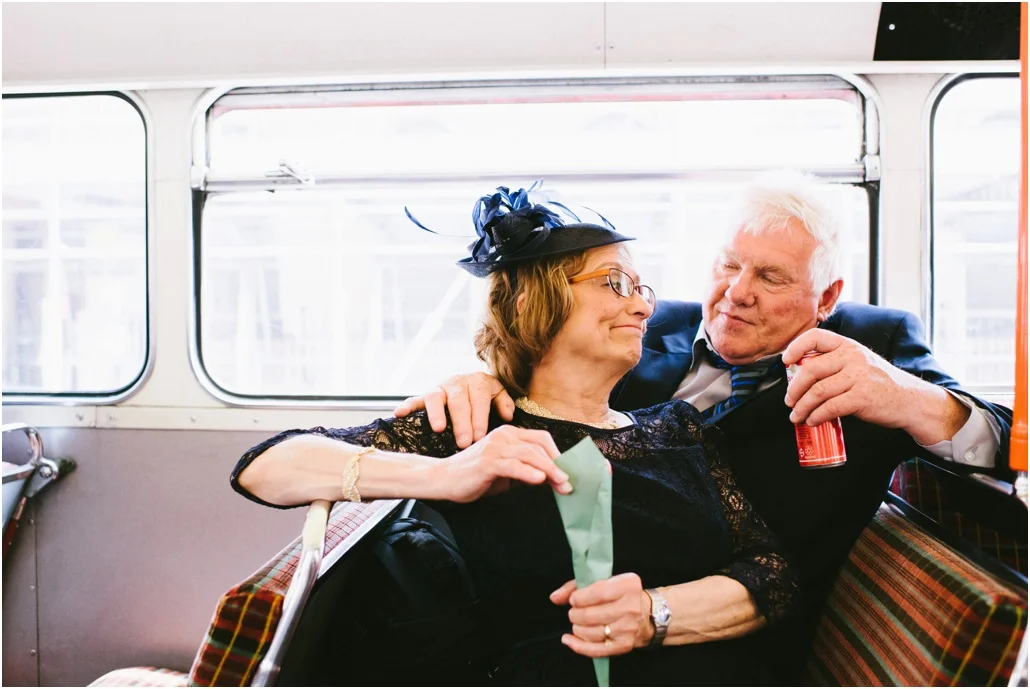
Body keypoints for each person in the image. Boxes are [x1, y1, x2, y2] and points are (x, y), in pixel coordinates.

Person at [394, 171, 1014, 684]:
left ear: (826, 298)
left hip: (745, 631)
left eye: (770, 277)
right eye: (728, 264)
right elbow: (548, 390)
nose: (736, 292)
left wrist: (907, 398)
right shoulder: (638, 325)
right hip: (567, 613)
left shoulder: (877, 341)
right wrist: (486, 383)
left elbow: (1010, 442)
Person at [232, 185, 799, 686]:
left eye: (640, 288)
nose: (641, 306)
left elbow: (771, 575)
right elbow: (264, 467)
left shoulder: (679, 427)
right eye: (615, 282)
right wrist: (447, 474)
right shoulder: (474, 428)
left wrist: (654, 613)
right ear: (535, 302)